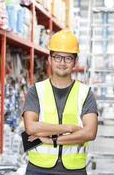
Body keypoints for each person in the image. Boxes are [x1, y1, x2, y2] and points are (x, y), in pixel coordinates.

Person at [23, 30, 98, 175]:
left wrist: (52, 140)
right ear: (50, 59)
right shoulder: (36, 90)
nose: (62, 63)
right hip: (38, 169)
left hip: (74, 170)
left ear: (75, 62)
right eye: (57, 57)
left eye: (68, 58)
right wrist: (70, 127)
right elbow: (31, 127)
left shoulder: (85, 93)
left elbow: (90, 132)